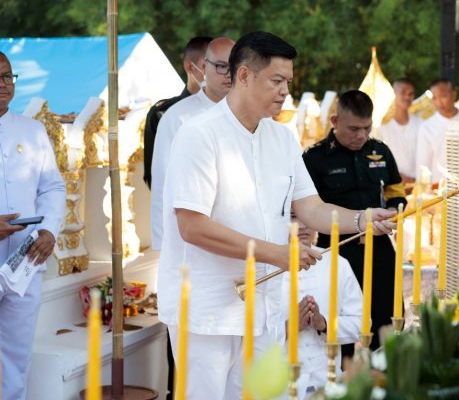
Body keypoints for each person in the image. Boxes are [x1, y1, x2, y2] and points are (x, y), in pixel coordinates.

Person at [157, 32, 395, 399]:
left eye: (288, 82)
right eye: (277, 81)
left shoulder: (282, 138)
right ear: (244, 76)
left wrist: (363, 219)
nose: (285, 91)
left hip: (263, 311)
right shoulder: (198, 135)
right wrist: (275, 253)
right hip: (206, 312)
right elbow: (192, 226)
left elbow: (312, 208)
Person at [303, 90, 407, 353]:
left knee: (389, 323)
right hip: (337, 252)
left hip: (380, 250)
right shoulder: (315, 158)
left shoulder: (380, 151)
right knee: (342, 328)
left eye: (367, 128)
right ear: (335, 121)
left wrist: (396, 212)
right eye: (353, 129)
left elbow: (396, 193)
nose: (361, 135)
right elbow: (306, 208)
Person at [0, 52, 66, 399]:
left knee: (17, 358)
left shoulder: (32, 130)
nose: (3, 85)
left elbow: (52, 187)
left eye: (8, 77)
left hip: (26, 262)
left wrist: (50, 230)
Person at [150, 36, 235, 251]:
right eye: (221, 66)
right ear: (203, 67)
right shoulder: (177, 116)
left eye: (234, 66)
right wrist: (163, 245)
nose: (228, 74)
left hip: (237, 235)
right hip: (190, 237)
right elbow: (161, 184)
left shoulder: (247, 113)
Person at [282, 218, 362, 398]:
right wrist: (287, 328)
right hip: (279, 388)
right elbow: (247, 334)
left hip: (329, 383)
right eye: (293, 217)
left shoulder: (337, 263)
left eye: (306, 218)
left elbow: (363, 323)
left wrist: (324, 324)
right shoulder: (263, 267)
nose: (303, 225)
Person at [143, 36, 212, 189]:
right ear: (190, 67)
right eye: (209, 65)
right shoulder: (162, 113)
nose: (221, 72)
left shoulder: (232, 111)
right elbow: (154, 176)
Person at [414, 79, 459, 183]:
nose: (439, 102)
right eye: (434, 98)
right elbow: (423, 165)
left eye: (443, 96)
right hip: (440, 189)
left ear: (453, 95)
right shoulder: (427, 127)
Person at [377, 78, 421, 183]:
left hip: (418, 184)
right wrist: (398, 177)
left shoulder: (421, 124)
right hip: (391, 184)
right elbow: (376, 160)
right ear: (393, 94)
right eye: (403, 93)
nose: (407, 97)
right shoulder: (380, 125)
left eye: (411, 94)